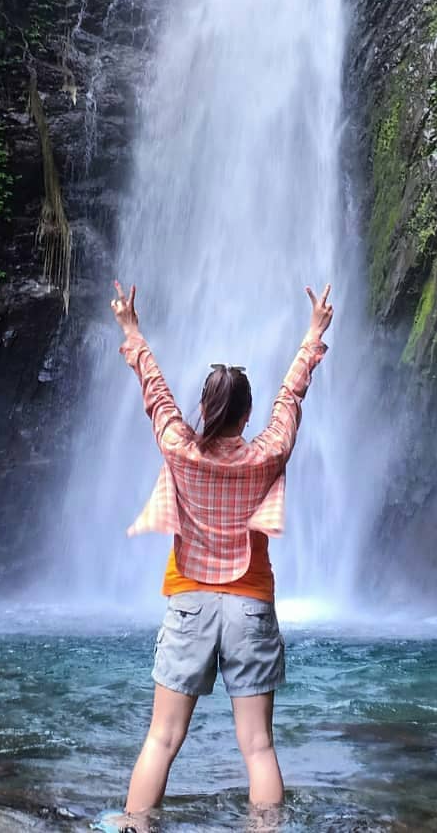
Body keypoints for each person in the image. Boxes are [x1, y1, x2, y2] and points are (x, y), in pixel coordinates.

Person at [108, 278, 333, 816]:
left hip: (189, 601)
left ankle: (135, 830)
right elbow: (291, 399)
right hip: (250, 602)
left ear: (204, 409)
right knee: (258, 747)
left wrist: (132, 330)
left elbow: (156, 394)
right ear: (246, 415)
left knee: (161, 740)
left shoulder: (180, 450)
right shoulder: (267, 455)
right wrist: (313, 336)